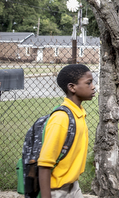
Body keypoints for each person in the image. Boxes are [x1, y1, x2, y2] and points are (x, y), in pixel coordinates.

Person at [38, 64, 96, 198]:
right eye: (89, 83)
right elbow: (44, 164)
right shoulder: (61, 119)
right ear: (72, 87)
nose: (93, 87)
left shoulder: (78, 113)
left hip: (73, 186)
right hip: (57, 190)